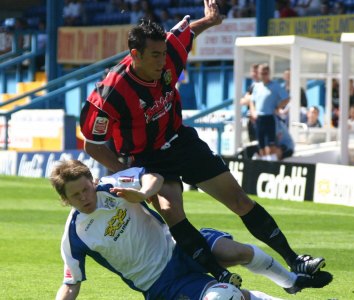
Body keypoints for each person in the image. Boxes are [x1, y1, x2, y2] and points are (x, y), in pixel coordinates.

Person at [80, 0, 326, 287]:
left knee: (239, 200)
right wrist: (127, 172)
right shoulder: (110, 93)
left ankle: (295, 259)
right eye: (155, 56)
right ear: (135, 54)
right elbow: (92, 145)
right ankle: (220, 274)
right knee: (173, 212)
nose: (162, 62)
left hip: (181, 142)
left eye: (163, 54)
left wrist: (209, 20)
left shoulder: (169, 51)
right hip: (146, 159)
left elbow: (187, 33)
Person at [51, 160, 333, 299]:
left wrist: (143, 192)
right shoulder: (76, 235)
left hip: (180, 246)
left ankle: (291, 282)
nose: (85, 198)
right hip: (161, 284)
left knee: (238, 252)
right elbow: (71, 283)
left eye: (86, 189)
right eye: (76, 196)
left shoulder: (112, 186)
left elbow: (153, 175)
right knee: (224, 296)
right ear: (65, 201)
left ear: (92, 179)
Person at [249, 63, 291, 161]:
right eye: (261, 73)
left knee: (271, 144)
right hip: (259, 119)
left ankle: (271, 163)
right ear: (258, 74)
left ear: (269, 73)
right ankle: (263, 163)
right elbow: (252, 101)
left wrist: (277, 107)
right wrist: (253, 112)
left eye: (265, 73)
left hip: (269, 118)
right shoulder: (257, 86)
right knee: (261, 144)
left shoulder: (275, 86)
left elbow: (286, 98)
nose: (263, 75)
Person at [240, 63, 259, 142]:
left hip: (258, 119)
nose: (253, 74)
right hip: (250, 119)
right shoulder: (252, 86)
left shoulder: (262, 85)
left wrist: (249, 99)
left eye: (256, 72)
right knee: (252, 141)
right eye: (252, 72)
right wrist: (249, 99)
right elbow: (242, 101)